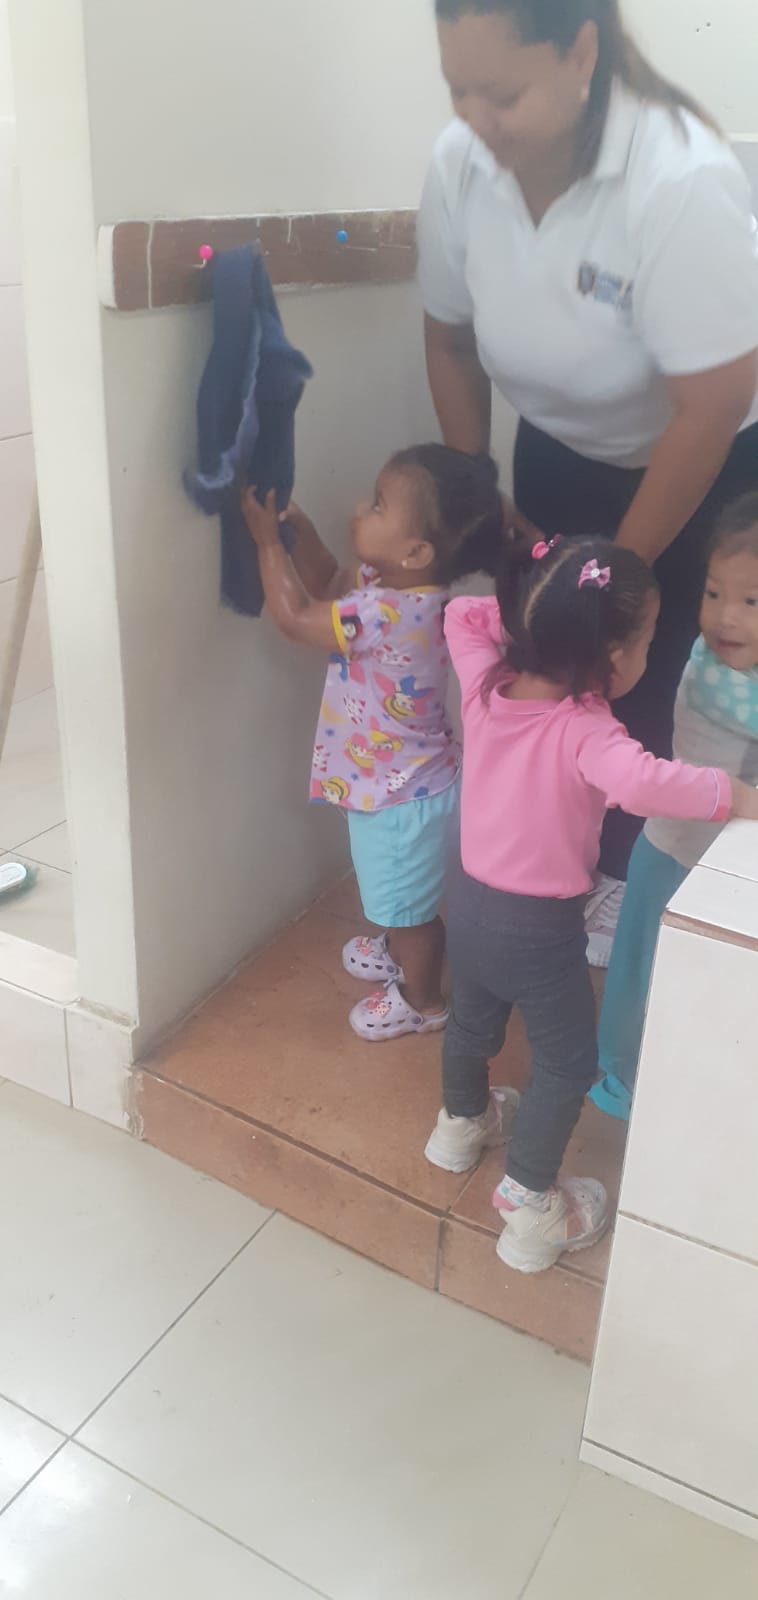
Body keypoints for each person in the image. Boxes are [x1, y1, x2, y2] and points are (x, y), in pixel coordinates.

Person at [418, 0, 758, 965]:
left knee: (654, 678)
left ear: (579, 53)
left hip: (698, 460)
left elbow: (711, 407)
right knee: (556, 666)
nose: (475, 120)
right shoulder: (459, 163)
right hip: (557, 451)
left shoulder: (680, 178)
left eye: (502, 93)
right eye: (456, 89)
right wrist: (477, 492)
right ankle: (556, 860)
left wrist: (613, 578)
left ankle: (640, 880)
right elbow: (448, 339)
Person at [423, 535, 758, 1274]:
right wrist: (732, 794)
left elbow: (462, 616)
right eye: (647, 641)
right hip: (537, 932)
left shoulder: (486, 685)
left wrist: (536, 616)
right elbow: (644, 783)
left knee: (472, 1020)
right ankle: (531, 1204)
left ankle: (460, 1124)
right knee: (567, 1062)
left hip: (468, 903)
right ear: (612, 656)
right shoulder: (587, 731)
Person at [241, 445, 504, 1040]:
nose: (361, 508)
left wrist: (266, 545)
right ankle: (397, 943)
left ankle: (422, 1000)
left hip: (398, 796)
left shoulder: (385, 614)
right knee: (400, 891)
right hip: (405, 780)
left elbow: (295, 618)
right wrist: (300, 533)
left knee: (411, 911)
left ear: (417, 551)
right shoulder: (401, 591)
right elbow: (330, 582)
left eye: (379, 505)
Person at [592, 493, 758, 1122]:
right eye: (714, 593)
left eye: (751, 601)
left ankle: (690, 1081)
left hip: (726, 868)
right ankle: (624, 1078)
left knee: (706, 981)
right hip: (673, 852)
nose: (725, 617)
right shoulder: (710, 665)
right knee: (643, 971)